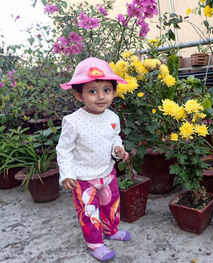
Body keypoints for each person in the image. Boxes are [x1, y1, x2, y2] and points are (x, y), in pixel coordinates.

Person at [56, 57, 130, 261]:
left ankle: (111, 230)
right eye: (92, 91)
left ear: (114, 92)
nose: (101, 97)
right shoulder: (73, 122)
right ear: (78, 95)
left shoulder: (112, 118)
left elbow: (114, 138)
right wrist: (67, 175)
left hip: (108, 173)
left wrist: (118, 150)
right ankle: (95, 243)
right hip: (83, 179)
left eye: (107, 90)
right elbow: (64, 149)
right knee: (89, 212)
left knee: (111, 205)